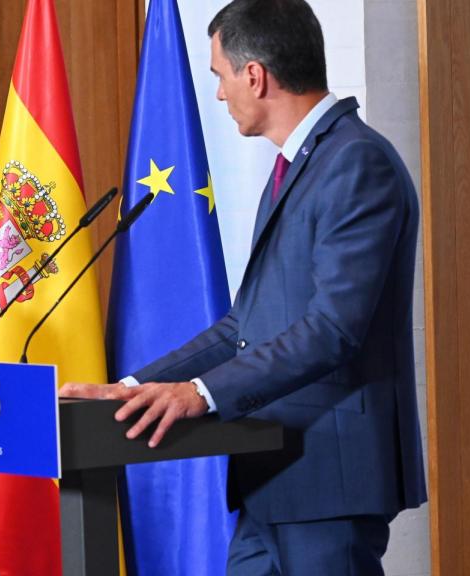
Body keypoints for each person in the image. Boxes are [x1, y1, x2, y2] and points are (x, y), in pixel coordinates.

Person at [60, 0, 426, 574]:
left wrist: (200, 393)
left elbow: (333, 330)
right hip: (272, 477)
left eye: (220, 76)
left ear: (254, 74)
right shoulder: (299, 165)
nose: (220, 94)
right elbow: (242, 327)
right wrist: (132, 386)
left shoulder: (356, 163)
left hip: (328, 482)